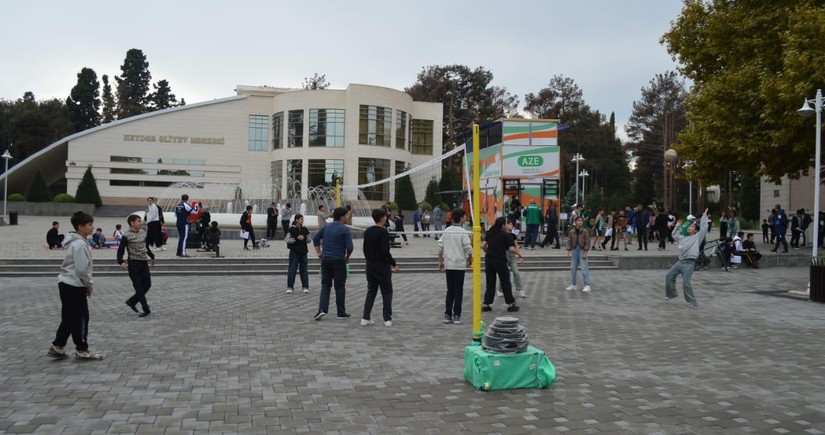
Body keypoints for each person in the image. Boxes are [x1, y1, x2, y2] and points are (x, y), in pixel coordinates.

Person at [47, 211, 103, 360]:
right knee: (81, 317)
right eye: (89, 225)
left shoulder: (78, 242)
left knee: (69, 317)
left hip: (67, 283)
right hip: (73, 285)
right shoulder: (79, 244)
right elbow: (82, 269)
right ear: (80, 227)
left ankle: (58, 346)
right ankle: (82, 349)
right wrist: (88, 284)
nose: (92, 227)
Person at [312, 207, 354, 321]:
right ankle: (341, 312)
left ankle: (322, 310)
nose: (348, 217)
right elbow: (350, 247)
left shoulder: (326, 226)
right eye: (346, 215)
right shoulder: (345, 229)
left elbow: (315, 239)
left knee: (325, 286)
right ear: (341, 217)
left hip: (326, 260)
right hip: (339, 260)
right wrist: (347, 257)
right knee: (340, 287)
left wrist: (319, 254)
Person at [361, 208, 399, 327]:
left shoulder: (367, 231)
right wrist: (393, 263)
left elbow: (364, 249)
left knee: (371, 291)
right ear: (382, 218)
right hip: (382, 266)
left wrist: (369, 260)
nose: (386, 219)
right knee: (387, 292)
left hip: (370, 265)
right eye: (385, 217)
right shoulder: (383, 232)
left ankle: (365, 317)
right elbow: (385, 251)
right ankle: (387, 319)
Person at [665, 209, 710, 306]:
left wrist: (704, 216)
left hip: (689, 263)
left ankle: (692, 301)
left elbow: (704, 227)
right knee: (669, 275)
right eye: (690, 226)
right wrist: (677, 225)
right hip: (680, 261)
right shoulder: (682, 237)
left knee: (686, 283)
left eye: (692, 227)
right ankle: (671, 294)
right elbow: (674, 235)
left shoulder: (697, 237)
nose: (690, 228)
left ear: (696, 230)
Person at [481, 217, 523, 313]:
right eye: (506, 223)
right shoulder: (505, 235)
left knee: (490, 282)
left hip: (489, 260)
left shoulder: (490, 233)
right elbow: (511, 249)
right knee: (505, 282)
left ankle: (486, 304)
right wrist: (519, 254)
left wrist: (488, 252)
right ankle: (511, 304)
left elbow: (482, 245)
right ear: (503, 225)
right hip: (500, 260)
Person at [117, 214, 156, 318]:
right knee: (138, 287)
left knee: (147, 285)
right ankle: (146, 308)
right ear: (132, 223)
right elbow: (120, 250)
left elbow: (146, 246)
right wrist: (121, 262)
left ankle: (131, 301)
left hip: (144, 262)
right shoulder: (126, 235)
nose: (141, 222)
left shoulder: (143, 232)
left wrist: (152, 256)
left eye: (140, 221)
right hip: (133, 264)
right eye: (138, 221)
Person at [438, 208, 472, 324]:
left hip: (449, 264)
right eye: (464, 216)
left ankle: (448, 314)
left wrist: (440, 261)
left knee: (450, 290)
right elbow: (468, 248)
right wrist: (470, 258)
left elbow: (440, 246)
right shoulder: (463, 232)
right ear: (461, 218)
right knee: (458, 290)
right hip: (459, 265)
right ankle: (457, 314)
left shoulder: (447, 230)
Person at [566, 216, 592, 292]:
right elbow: (569, 241)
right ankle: (573, 284)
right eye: (579, 220)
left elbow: (588, 242)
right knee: (573, 269)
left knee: (584, 269)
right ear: (575, 221)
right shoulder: (571, 231)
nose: (580, 222)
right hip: (574, 250)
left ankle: (587, 285)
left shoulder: (585, 231)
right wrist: (568, 251)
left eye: (581, 221)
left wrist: (585, 252)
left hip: (582, 250)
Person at [286, 214, 310, 294]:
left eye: (302, 219)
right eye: (301, 219)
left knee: (304, 270)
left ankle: (305, 286)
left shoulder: (304, 229)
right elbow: (287, 240)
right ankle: (290, 287)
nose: (302, 220)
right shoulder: (291, 229)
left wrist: (304, 238)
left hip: (303, 252)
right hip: (294, 252)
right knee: (292, 270)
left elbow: (309, 240)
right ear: (296, 220)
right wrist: (296, 238)